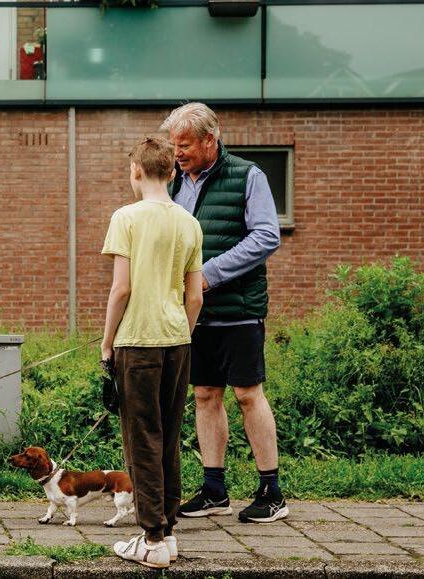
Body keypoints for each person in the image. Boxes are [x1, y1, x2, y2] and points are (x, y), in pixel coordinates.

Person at [161, 103, 288, 524]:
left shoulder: (248, 175)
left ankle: (271, 492)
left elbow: (266, 236)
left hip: (239, 309)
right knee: (204, 394)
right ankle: (214, 490)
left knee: (248, 394)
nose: (177, 153)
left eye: (184, 145)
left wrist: (208, 275)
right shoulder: (174, 181)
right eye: (174, 145)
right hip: (194, 313)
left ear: (209, 140)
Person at [102, 136, 204, 569]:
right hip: (177, 341)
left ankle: (152, 538)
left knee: (142, 440)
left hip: (137, 341)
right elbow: (195, 296)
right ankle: (168, 532)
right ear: (173, 171)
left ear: (136, 171)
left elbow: (121, 289)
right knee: (169, 437)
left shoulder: (125, 218)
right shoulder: (189, 223)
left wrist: (107, 342)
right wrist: (180, 330)